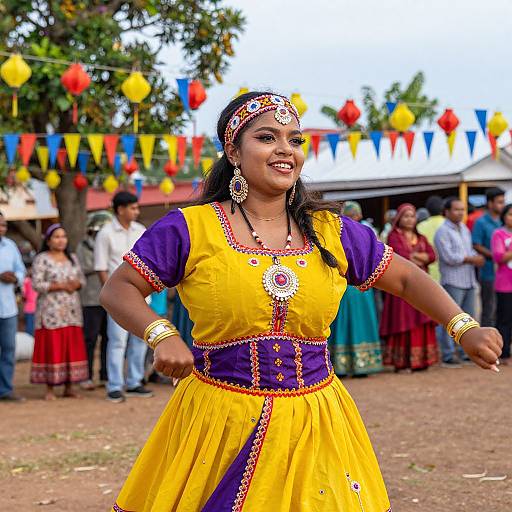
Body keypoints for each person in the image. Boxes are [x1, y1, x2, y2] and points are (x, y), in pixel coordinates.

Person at [101, 92, 502, 512]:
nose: (285, 150)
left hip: (316, 418)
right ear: (233, 151)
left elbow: (404, 278)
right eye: (268, 138)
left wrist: (464, 326)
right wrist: (161, 334)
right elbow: (119, 287)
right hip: (221, 419)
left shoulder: (332, 231)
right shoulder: (190, 227)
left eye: (295, 140)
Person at [94, 191, 152, 403]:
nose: (136, 211)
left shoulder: (141, 230)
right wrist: (112, 297)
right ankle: (115, 386)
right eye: (133, 207)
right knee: (117, 342)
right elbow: (101, 268)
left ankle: (135, 382)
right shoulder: (106, 233)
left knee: (140, 340)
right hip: (117, 299)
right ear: (120, 209)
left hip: (143, 296)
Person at [30, 224, 88, 400]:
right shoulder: (42, 259)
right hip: (51, 312)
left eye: (63, 236)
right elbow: (37, 284)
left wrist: (75, 284)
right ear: (48, 241)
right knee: (52, 347)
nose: (61, 240)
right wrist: (61, 285)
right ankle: (49, 389)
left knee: (70, 347)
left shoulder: (72, 258)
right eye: (56, 237)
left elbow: (82, 280)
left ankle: (69, 387)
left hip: (71, 311)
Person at [381, 204, 438, 371]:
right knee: (402, 320)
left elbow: (432, 255)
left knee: (422, 317)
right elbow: (401, 256)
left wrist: (417, 256)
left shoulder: (420, 237)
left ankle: (422, 361)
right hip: (400, 285)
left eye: (412, 216)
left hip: (421, 285)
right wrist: (421, 258)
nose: (409, 219)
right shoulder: (393, 236)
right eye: (406, 216)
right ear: (399, 219)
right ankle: (403, 362)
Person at [329, 201, 383, 377]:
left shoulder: (364, 233)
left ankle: (355, 364)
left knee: (356, 322)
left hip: (358, 286)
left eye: (355, 215)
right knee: (348, 321)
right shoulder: (338, 232)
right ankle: (346, 364)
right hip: (348, 286)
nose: (354, 218)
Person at [435, 197, 486, 367]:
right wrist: (471, 259)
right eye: (456, 209)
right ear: (447, 212)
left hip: (469, 280)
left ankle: (466, 353)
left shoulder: (464, 228)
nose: (460, 213)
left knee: (469, 318)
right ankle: (448, 354)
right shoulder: (442, 231)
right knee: (449, 318)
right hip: (453, 280)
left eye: (462, 209)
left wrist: (474, 257)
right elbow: (448, 257)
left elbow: (469, 249)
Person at [76, 212, 111, 390]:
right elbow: (86, 267)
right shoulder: (84, 246)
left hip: (109, 299)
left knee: (108, 337)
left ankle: (104, 374)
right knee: (90, 338)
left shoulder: (108, 244)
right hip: (90, 299)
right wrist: (103, 265)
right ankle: (86, 375)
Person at [0, 212, 26, 402]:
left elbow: (21, 270)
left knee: (9, 349)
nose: (2, 229)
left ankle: (6, 389)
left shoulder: (10, 246)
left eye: (4, 225)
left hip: (8, 307)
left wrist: (16, 277)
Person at [472, 187, 505, 326]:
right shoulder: (481, 222)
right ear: (490, 203)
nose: (502, 205)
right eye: (499, 202)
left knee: (503, 309)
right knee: (489, 309)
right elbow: (476, 244)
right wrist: (496, 255)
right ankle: (486, 342)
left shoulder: (504, 221)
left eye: (503, 202)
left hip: (505, 273)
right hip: (489, 272)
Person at [491, 203, 512, 364]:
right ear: (504, 216)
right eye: (510, 214)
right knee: (504, 319)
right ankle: (503, 354)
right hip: (505, 284)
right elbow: (499, 257)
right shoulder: (498, 234)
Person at [417, 195, 445, 283]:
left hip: (427, 273)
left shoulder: (420, 227)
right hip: (448, 273)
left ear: (428, 210)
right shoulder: (448, 225)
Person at [22, 263, 37, 336]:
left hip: (30, 307)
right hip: (34, 307)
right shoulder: (35, 281)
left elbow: (23, 294)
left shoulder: (26, 281)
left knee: (30, 327)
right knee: (32, 327)